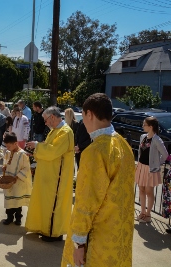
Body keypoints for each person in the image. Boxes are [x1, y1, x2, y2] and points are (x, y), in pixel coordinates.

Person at [61, 93, 136, 267]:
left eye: (84, 117)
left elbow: (87, 202)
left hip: (98, 236)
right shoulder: (124, 145)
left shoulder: (95, 152)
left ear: (89, 114)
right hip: (120, 234)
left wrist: (79, 243)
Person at [24, 106, 74, 242]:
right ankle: (44, 228)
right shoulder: (55, 131)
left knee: (54, 203)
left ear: (52, 117)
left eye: (45, 120)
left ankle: (53, 232)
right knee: (45, 202)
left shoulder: (65, 132)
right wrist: (34, 151)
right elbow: (48, 148)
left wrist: (37, 146)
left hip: (57, 176)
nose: (45, 123)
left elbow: (53, 151)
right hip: (49, 174)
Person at [135, 117, 169, 223]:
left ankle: (148, 214)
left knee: (149, 191)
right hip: (141, 166)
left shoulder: (157, 139)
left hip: (151, 169)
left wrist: (156, 163)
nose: (142, 126)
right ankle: (142, 212)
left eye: (144, 124)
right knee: (141, 189)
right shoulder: (143, 137)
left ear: (151, 127)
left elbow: (165, 155)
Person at [1, 132, 33, 225]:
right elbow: (6, 162)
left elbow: (26, 168)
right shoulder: (7, 152)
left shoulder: (22, 154)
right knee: (9, 200)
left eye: (9, 146)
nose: (8, 148)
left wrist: (17, 176)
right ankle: (9, 217)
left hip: (18, 181)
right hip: (9, 181)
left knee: (18, 201)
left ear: (15, 143)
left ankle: (18, 218)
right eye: (6, 146)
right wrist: (4, 166)